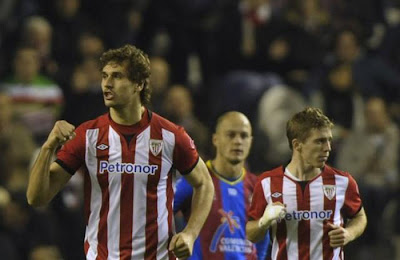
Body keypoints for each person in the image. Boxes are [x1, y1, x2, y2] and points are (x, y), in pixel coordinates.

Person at [26, 44, 214, 259]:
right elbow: (36, 198)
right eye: (104, 76)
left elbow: (205, 183)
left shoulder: (170, 135)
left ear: (139, 84)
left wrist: (190, 233)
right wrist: (48, 147)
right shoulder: (87, 135)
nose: (107, 83)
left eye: (117, 76)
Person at [246, 107, 367, 259]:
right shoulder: (267, 182)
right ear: (297, 145)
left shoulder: (342, 181)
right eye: (320, 141)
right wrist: (263, 222)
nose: (328, 148)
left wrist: (349, 233)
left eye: (329, 140)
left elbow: (359, 217)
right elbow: (251, 234)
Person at [174, 111, 269, 259]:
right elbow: (160, 213)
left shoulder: (259, 188)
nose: (238, 141)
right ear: (215, 139)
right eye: (231, 135)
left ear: (251, 141)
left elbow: (263, 235)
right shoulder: (197, 181)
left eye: (243, 136)